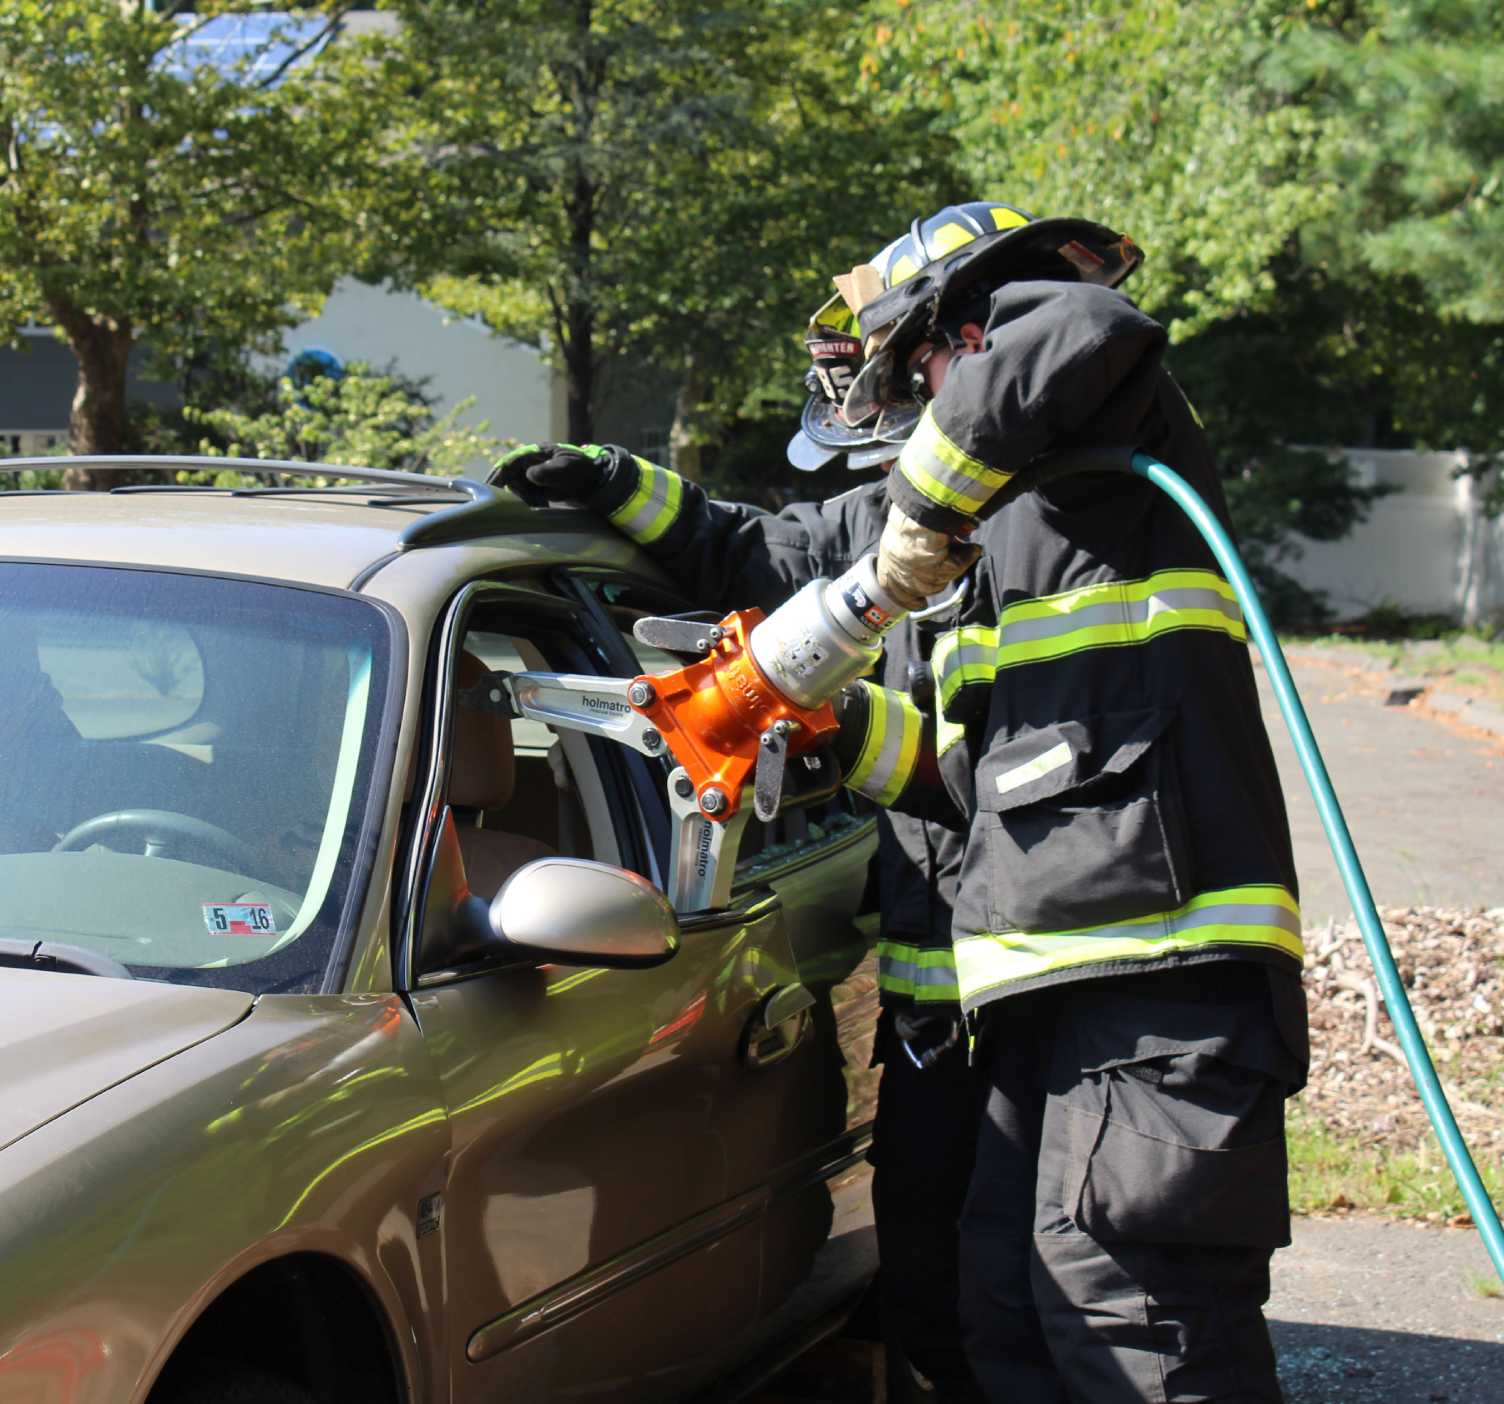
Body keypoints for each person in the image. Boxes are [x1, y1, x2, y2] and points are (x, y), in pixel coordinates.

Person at [496, 201, 1307, 1404]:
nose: (911, 400)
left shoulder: (1095, 427)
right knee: (999, 1309)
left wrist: (922, 520)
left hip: (1152, 962)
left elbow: (1080, 327)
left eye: (915, 364)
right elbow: (779, 562)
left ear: (962, 326)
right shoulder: (998, 505)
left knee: (1129, 1318)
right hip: (1035, 972)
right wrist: (622, 489)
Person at [493, 275, 993, 1403]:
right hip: (936, 1007)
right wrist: (618, 481)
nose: (868, 390)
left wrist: (833, 723)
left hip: (1034, 998)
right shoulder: (898, 525)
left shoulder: (1051, 539)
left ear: (960, 357)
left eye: (888, 363)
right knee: (934, 1280)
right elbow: (753, 553)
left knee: (1016, 1293)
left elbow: (996, 783)